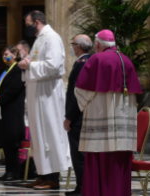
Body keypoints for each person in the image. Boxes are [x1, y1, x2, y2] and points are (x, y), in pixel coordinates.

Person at [74, 30, 142, 196]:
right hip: (123, 126)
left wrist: (82, 104)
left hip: (101, 120)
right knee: (119, 162)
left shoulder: (97, 59)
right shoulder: (126, 60)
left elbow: (81, 90)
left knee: (100, 159)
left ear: (97, 44)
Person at [18, 10, 71, 190]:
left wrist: (29, 65)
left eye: (28, 24)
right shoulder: (40, 39)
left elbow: (54, 65)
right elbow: (36, 63)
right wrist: (27, 64)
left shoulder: (52, 38)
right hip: (38, 94)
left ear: (37, 22)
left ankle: (53, 178)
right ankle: (43, 175)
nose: (26, 28)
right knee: (39, 135)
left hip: (48, 95)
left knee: (50, 133)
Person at [0, 46, 26, 181]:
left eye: (6, 54)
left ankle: (14, 172)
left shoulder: (18, 70)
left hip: (12, 111)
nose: (4, 57)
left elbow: (13, 89)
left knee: (12, 143)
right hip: (2, 110)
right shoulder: (4, 70)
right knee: (5, 142)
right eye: (3, 55)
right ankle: (8, 171)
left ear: (15, 55)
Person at [64, 35, 92, 196]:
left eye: (73, 43)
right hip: (84, 115)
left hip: (78, 116)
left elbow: (77, 94)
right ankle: (81, 186)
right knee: (80, 153)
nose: (72, 47)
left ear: (78, 47)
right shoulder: (88, 61)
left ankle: (82, 187)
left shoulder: (82, 64)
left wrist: (69, 117)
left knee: (78, 153)